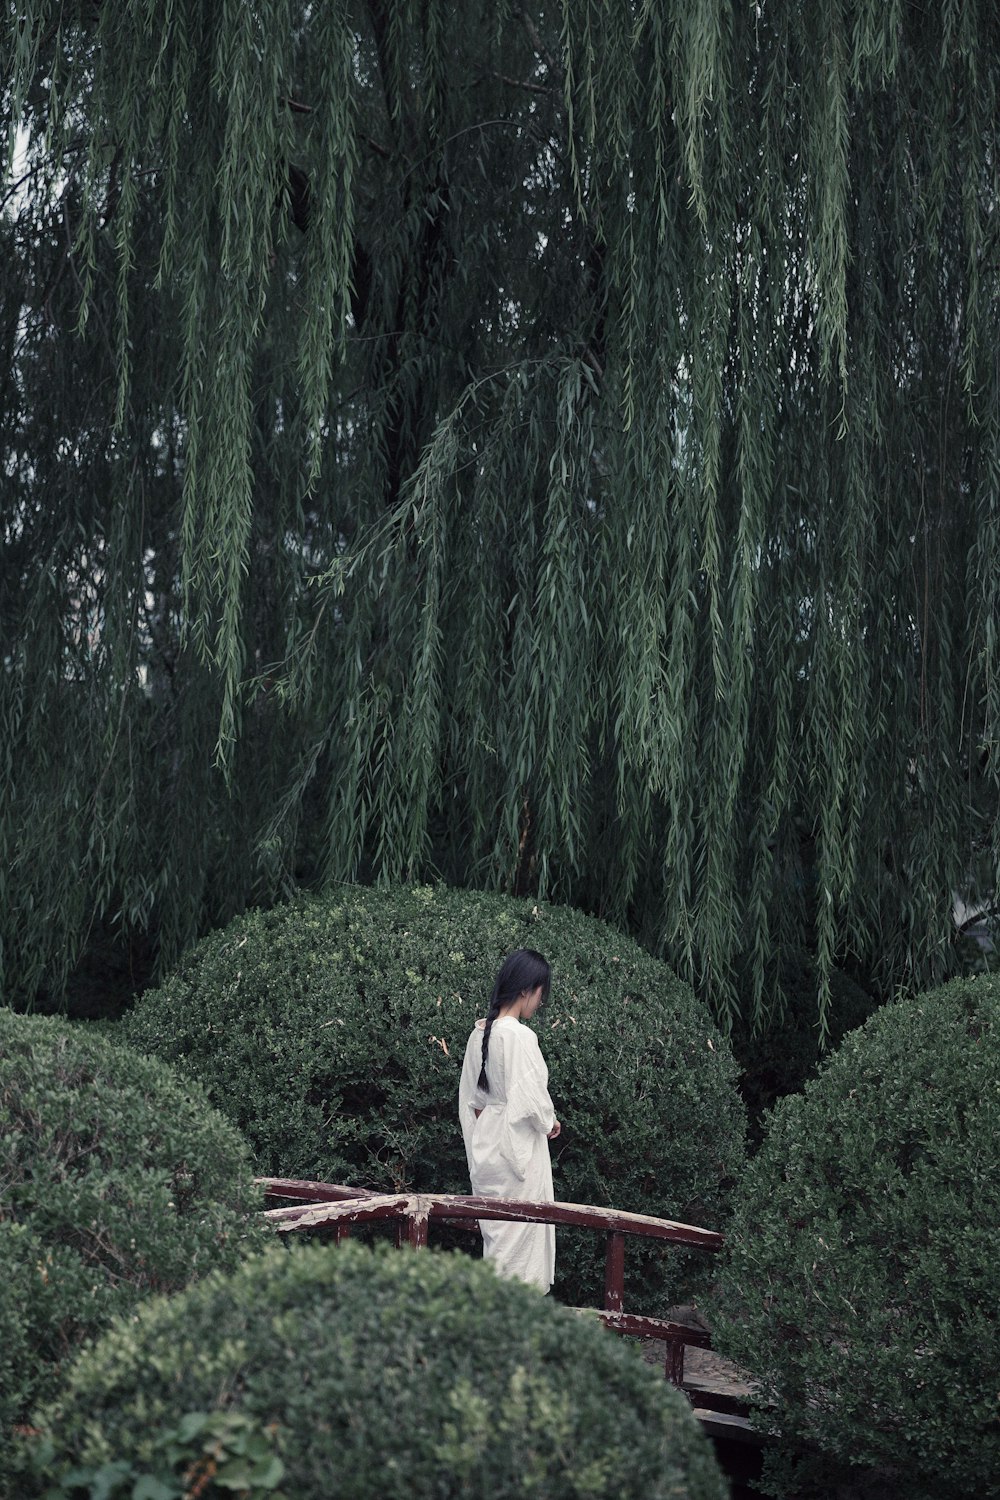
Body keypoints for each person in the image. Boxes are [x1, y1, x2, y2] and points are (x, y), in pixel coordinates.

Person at [458, 948, 561, 1292]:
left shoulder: (479, 1034)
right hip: (517, 1154)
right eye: (540, 995)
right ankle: (515, 1327)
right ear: (526, 990)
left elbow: (474, 1102)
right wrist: (550, 1122)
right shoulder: (519, 1035)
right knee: (523, 1242)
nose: (539, 1003)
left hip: (489, 1147)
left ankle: (495, 1318)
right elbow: (531, 1100)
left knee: (498, 1241)